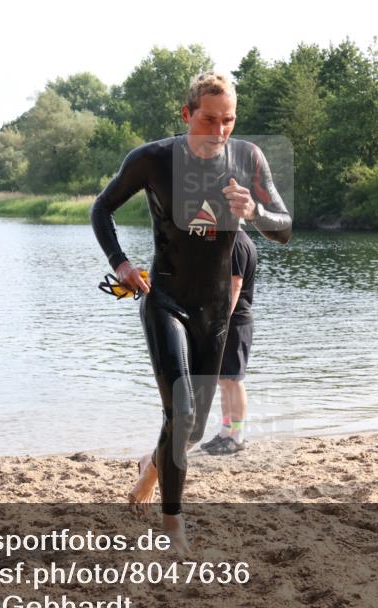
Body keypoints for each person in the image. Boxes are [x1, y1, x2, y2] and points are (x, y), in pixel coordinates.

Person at [90, 72, 292, 551]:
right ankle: (174, 524)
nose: (219, 130)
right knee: (179, 411)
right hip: (166, 299)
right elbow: (102, 209)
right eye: (208, 119)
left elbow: (283, 228)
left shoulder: (248, 159)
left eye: (229, 120)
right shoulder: (152, 159)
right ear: (187, 115)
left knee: (194, 429)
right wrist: (119, 263)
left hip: (216, 311)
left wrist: (255, 214)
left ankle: (150, 468)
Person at [201, 228, 257, 455]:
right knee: (223, 381)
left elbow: (236, 284)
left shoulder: (237, 242)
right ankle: (226, 431)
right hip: (228, 321)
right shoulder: (231, 239)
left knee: (234, 380)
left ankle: (238, 436)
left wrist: (223, 319)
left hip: (236, 322)